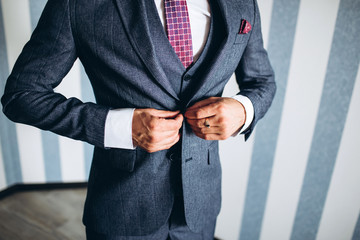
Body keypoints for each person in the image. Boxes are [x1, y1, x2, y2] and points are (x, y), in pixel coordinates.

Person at [1, 0, 275, 239]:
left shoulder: (243, 3)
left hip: (201, 205)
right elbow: (21, 96)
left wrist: (243, 110)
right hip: (121, 207)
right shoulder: (77, 4)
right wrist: (120, 127)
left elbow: (262, 81)